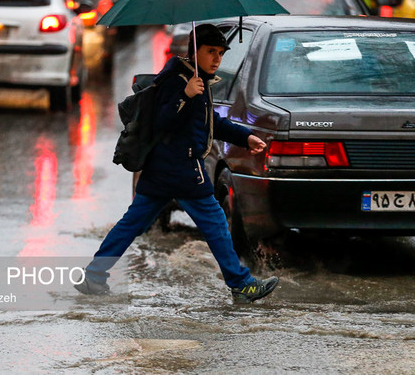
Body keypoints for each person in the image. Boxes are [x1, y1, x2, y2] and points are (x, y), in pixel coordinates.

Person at [75, 24, 279, 304]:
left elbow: (210, 123)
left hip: (162, 169)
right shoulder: (176, 80)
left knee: (132, 223)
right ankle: (242, 284)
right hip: (181, 168)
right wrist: (185, 94)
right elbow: (163, 121)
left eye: (220, 53)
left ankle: (94, 276)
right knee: (216, 224)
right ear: (194, 51)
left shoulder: (198, 78)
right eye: (210, 52)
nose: (217, 58)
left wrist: (246, 137)